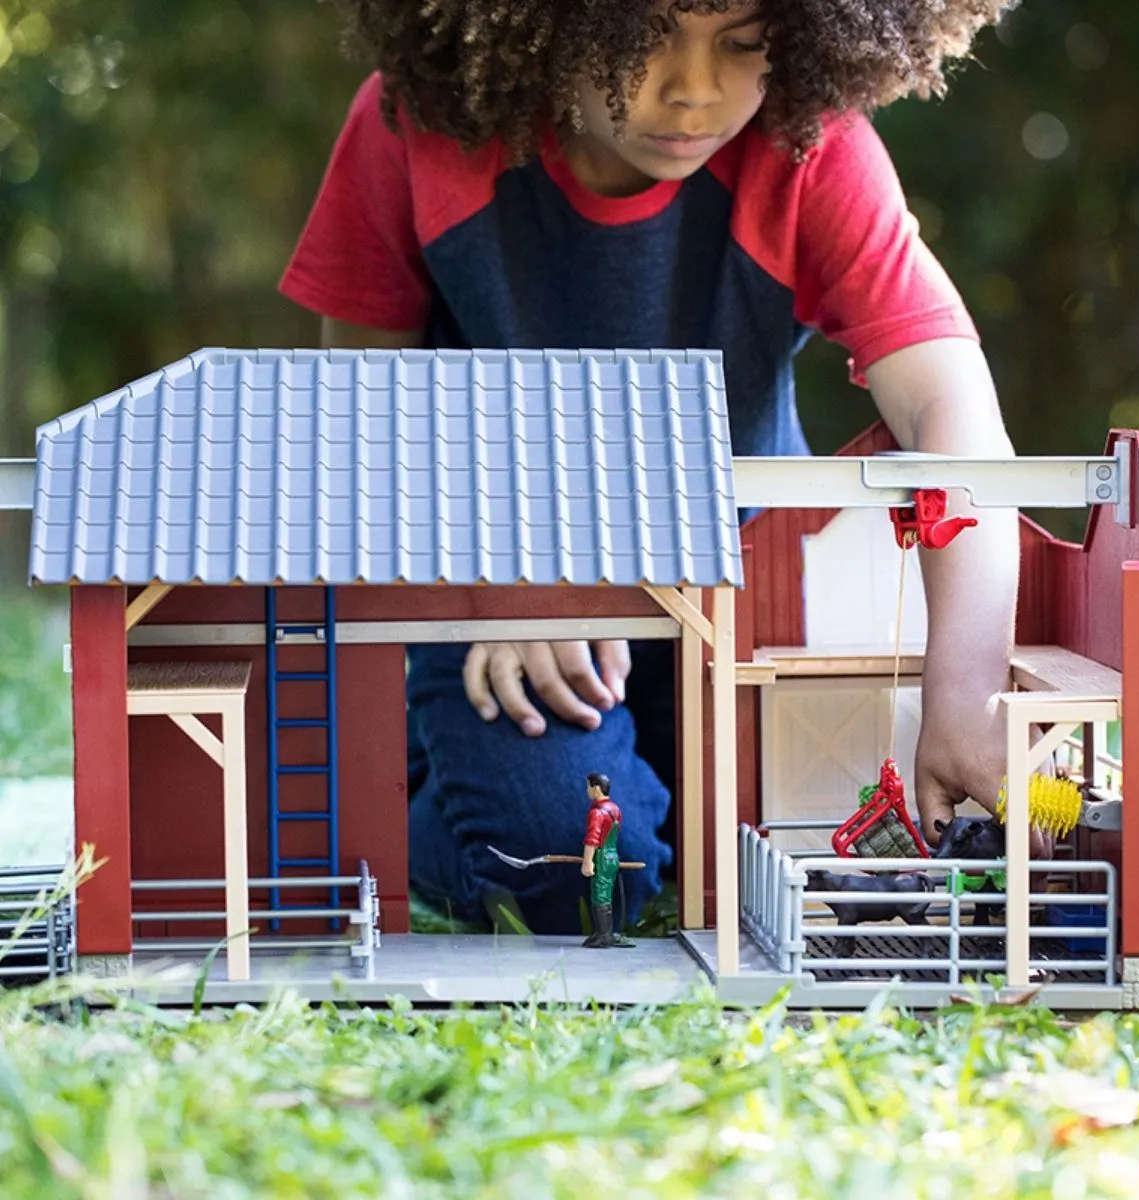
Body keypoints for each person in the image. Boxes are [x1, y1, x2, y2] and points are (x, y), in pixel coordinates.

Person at [279, 0, 1022, 933]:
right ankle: (398, 798)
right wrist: (500, 585)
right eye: (643, 39)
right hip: (498, 616)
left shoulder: (811, 146)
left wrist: (966, 688)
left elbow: (951, 409)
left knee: (803, 839)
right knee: (573, 867)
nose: (694, 90)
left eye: (744, 44)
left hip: (733, 613)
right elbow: (355, 423)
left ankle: (570, 776)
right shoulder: (419, 126)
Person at [580, 773, 635, 948]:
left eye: (588, 786)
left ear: (596, 788)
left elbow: (593, 839)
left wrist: (588, 861)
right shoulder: (615, 808)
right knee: (605, 894)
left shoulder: (597, 812)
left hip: (601, 856)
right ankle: (602, 932)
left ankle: (604, 936)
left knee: (599, 895)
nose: (587, 790)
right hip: (613, 856)